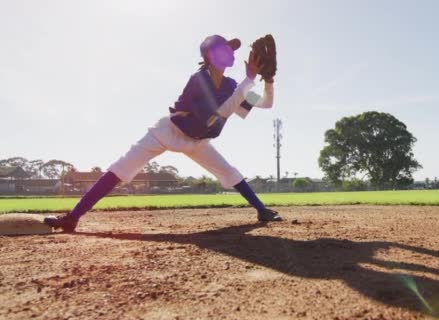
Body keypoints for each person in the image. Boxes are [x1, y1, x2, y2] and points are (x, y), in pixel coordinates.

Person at [44, 34, 282, 232]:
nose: (232, 53)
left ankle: (261, 210)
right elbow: (219, 113)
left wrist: (268, 80)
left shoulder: (232, 85)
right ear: (211, 56)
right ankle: (72, 217)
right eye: (226, 49)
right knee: (122, 167)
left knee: (228, 171)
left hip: (198, 140)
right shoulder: (199, 80)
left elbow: (265, 103)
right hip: (168, 131)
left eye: (232, 50)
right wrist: (249, 78)